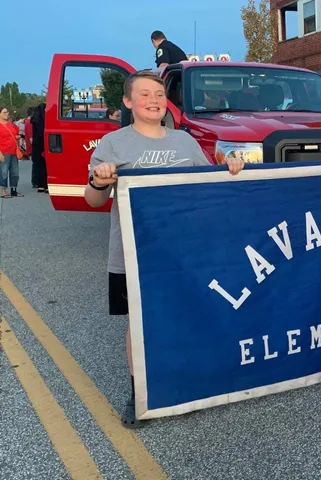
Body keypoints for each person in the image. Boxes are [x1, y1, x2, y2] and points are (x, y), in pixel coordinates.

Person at [85, 70, 244, 428]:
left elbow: (208, 188)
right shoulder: (113, 145)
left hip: (183, 254)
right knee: (139, 325)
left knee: (188, 314)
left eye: (158, 94)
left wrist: (230, 169)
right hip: (133, 254)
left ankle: (189, 384)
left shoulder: (185, 142)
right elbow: (93, 200)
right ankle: (140, 391)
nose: (153, 100)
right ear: (128, 102)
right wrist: (99, 180)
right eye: (144, 95)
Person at [0, 106, 23, 198]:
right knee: (3, 171)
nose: (7, 114)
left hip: (13, 151)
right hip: (4, 151)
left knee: (15, 171)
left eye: (7, 112)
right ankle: (4, 190)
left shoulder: (10, 124)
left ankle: (14, 189)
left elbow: (15, 134)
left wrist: (17, 138)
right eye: (4, 112)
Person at [31, 103, 48, 193]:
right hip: (43, 144)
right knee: (45, 166)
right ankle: (46, 185)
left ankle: (40, 185)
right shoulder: (43, 120)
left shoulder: (34, 119)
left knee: (38, 165)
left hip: (36, 145)